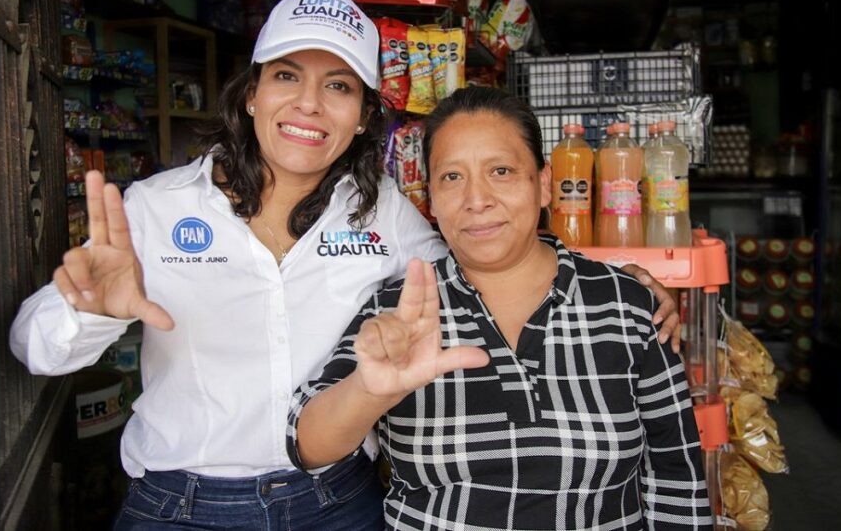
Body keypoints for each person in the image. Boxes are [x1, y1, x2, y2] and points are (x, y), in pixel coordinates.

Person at [10, 0, 681, 530]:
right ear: (252, 93)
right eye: (286, 76)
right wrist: (91, 311)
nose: (308, 103)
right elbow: (32, 347)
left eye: (338, 85)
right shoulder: (155, 208)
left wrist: (611, 282)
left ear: (361, 115)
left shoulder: (385, 212)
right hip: (179, 506)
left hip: (337, 503)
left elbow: (484, 257)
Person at [289, 87, 712, 530]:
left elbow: (677, 478)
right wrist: (369, 390)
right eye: (452, 177)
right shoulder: (400, 311)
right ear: (430, 197)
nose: (477, 199)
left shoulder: (626, 306)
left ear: (544, 184)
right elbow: (306, 445)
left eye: (501, 171)